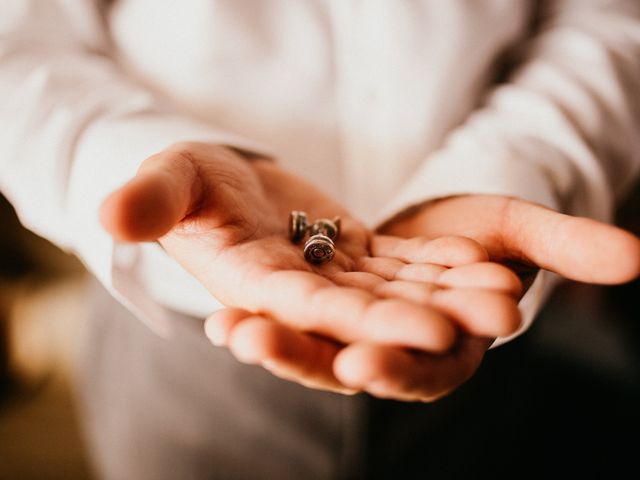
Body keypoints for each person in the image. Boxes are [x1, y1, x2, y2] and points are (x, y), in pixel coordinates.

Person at [1, 1, 639, 478]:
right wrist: (127, 157)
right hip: (185, 333)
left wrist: (518, 161)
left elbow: (607, 21)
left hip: (481, 321)